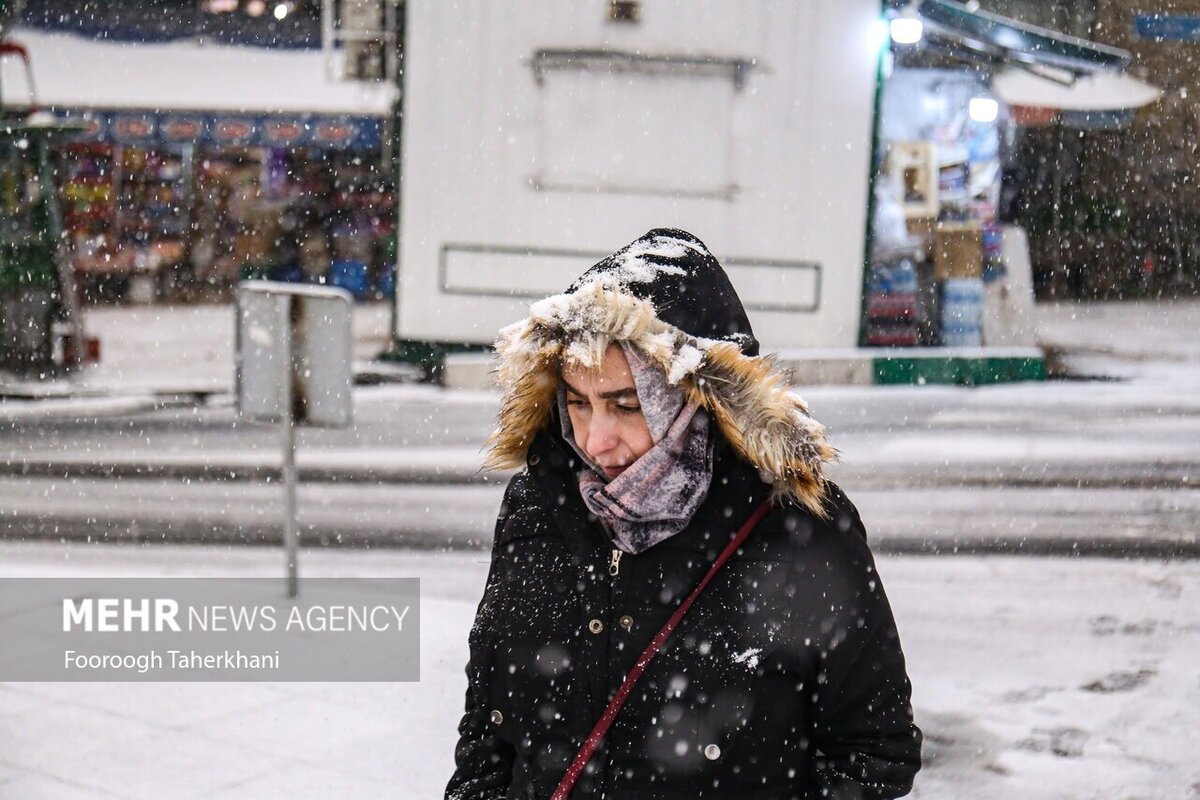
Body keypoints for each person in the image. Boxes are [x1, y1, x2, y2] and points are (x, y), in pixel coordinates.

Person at [447, 229, 922, 799]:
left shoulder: (798, 530)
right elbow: (488, 731)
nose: (595, 441)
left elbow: (873, 754)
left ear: (693, 399)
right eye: (577, 402)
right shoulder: (538, 507)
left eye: (626, 405)